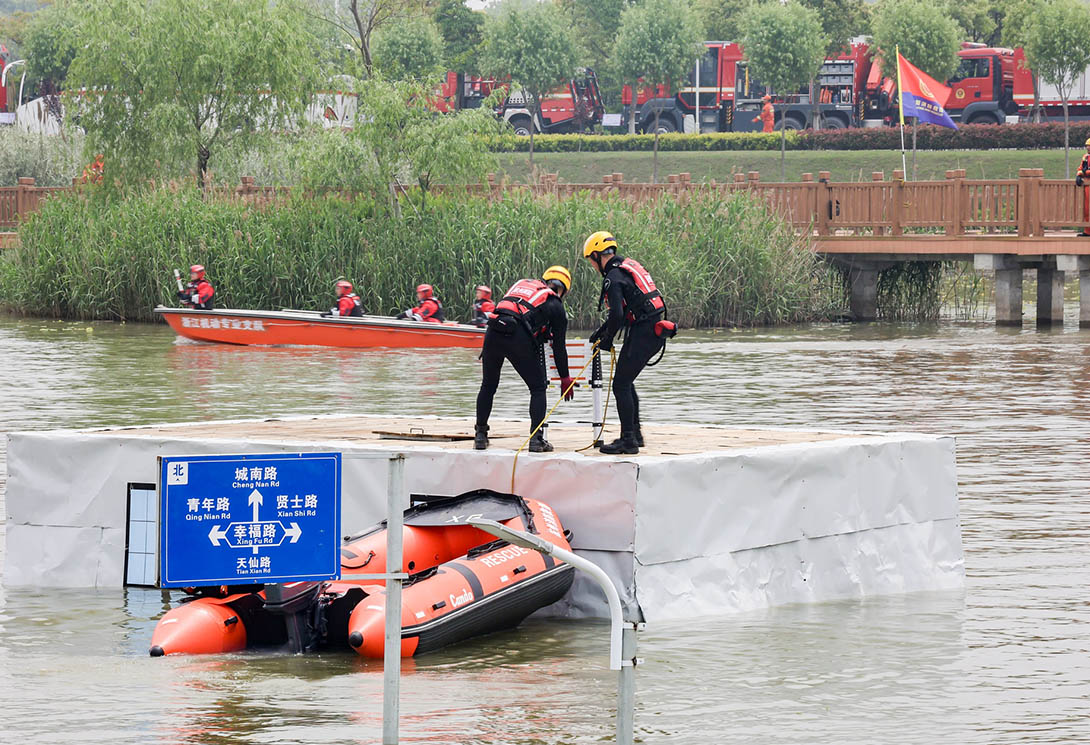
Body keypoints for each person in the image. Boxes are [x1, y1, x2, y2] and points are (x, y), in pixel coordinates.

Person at [583, 231, 675, 455]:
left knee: (620, 384)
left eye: (591, 261)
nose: (593, 267)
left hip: (644, 332)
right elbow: (625, 311)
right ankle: (635, 434)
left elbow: (616, 315)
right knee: (626, 380)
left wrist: (606, 341)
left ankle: (628, 441)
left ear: (597, 255)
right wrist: (602, 332)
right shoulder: (626, 266)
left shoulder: (612, 278)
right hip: (652, 329)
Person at [474, 266, 576, 453]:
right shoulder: (555, 304)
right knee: (538, 388)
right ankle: (536, 440)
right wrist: (565, 378)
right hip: (516, 336)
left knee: (488, 385)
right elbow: (559, 347)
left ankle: (480, 436)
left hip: (493, 331)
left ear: (545, 281)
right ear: (564, 290)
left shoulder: (523, 285)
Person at [1077, 138, 1090, 237]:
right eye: (1087, 145)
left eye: (1089, 145)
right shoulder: (1085, 157)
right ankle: (1087, 231)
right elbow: (1080, 168)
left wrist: (1086, 172)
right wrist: (1078, 175)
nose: (1088, 147)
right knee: (1086, 209)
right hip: (1087, 185)